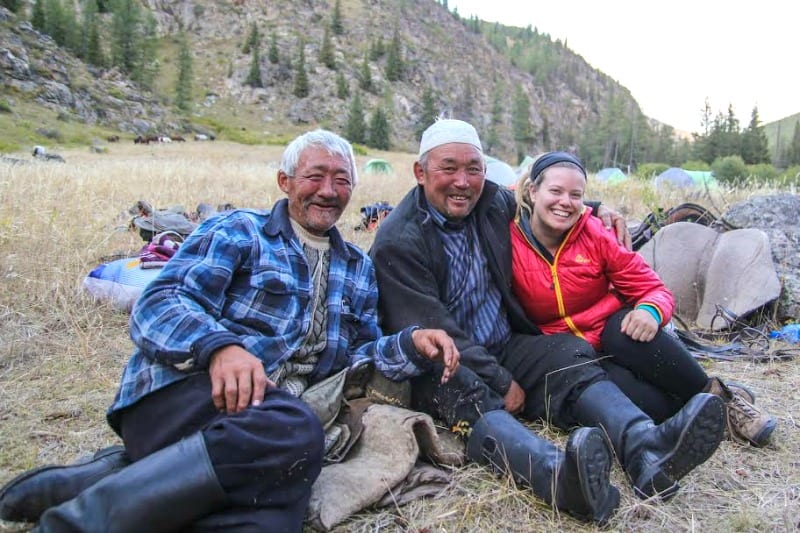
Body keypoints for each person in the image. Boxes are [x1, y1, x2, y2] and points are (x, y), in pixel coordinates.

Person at [0, 129, 459, 532]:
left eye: (341, 180)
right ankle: (76, 522)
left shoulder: (357, 267)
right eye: (315, 176)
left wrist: (411, 343)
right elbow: (160, 302)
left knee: (273, 518)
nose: (328, 191)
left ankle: (121, 477)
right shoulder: (239, 231)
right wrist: (220, 348)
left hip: (260, 430)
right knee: (299, 433)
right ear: (285, 182)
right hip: (186, 395)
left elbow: (358, 353)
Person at [369, 119, 726, 524]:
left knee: (567, 352)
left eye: (474, 168)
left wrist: (596, 209)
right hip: (443, 359)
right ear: (420, 172)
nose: (462, 182)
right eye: (448, 168)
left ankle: (644, 446)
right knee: (465, 387)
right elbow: (434, 330)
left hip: (503, 343)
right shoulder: (399, 240)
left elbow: (547, 201)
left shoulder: (487, 199)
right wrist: (502, 382)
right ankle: (558, 479)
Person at [509, 151, 776, 447]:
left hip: (615, 336)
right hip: (574, 354)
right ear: (533, 191)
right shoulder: (507, 233)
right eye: (555, 191)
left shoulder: (596, 234)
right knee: (646, 404)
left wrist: (650, 310)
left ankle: (723, 401)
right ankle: (703, 410)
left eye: (576, 195)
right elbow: (484, 189)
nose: (565, 202)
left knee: (626, 329)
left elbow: (654, 288)